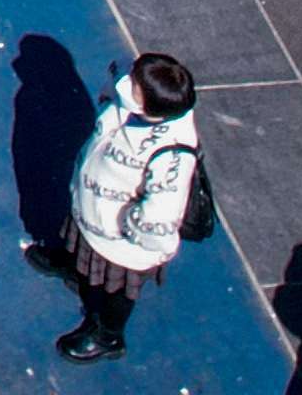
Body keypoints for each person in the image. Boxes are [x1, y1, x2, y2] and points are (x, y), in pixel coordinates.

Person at [48, 53, 207, 361]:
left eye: (133, 85)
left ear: (150, 108)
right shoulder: (133, 96)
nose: (126, 83)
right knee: (81, 240)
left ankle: (108, 335)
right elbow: (117, 76)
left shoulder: (172, 154)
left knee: (116, 290)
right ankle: (74, 265)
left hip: (120, 241)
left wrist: (122, 224)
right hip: (92, 207)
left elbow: (159, 217)